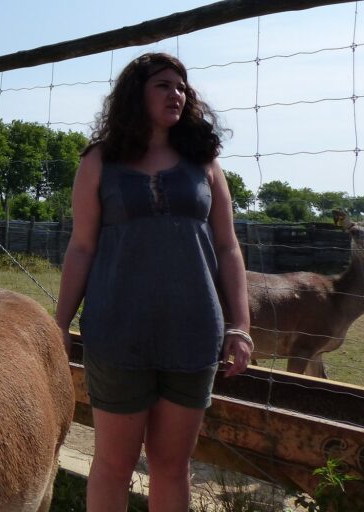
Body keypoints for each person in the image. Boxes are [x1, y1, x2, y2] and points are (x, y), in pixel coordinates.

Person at [55, 52, 252, 512]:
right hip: (117, 335)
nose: (177, 94)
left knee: (171, 467)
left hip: (194, 334)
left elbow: (228, 247)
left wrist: (239, 325)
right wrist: (59, 324)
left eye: (182, 87)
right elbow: (81, 247)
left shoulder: (204, 162)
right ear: (135, 93)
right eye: (164, 85)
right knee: (113, 465)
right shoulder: (99, 161)